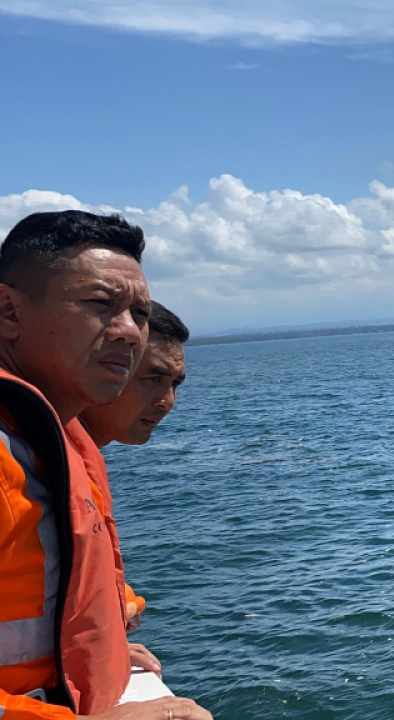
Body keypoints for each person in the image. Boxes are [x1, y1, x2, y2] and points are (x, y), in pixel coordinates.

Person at [0, 210, 212, 720]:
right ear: (8, 312)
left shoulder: (59, 437)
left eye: (138, 313)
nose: (127, 332)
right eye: (99, 304)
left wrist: (102, 653)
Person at [79, 301, 189, 632]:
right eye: (153, 378)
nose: (167, 400)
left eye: (174, 384)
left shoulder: (78, 459)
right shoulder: (28, 461)